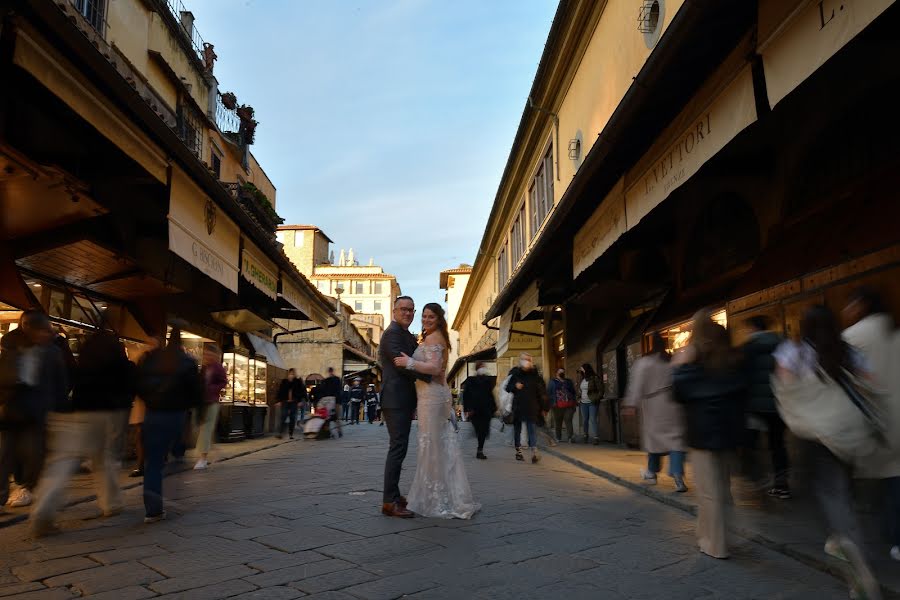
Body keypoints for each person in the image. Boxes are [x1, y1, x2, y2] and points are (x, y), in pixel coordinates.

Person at [774, 305, 881, 599]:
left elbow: (785, 387)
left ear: (805, 326)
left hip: (814, 435)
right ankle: (844, 538)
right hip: (847, 436)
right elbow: (870, 385)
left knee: (826, 494)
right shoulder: (847, 351)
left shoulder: (793, 351)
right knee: (843, 491)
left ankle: (850, 553)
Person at [30, 330, 135, 536]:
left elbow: (71, 379)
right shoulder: (122, 364)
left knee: (62, 463)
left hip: (78, 412)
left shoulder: (85, 359)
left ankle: (43, 510)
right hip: (109, 415)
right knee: (104, 460)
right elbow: (130, 388)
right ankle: (111, 503)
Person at [393, 302, 479, 519]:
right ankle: (441, 495)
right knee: (437, 446)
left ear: (439, 319)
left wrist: (408, 362)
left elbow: (434, 369)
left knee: (430, 446)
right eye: (424, 316)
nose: (426, 320)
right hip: (432, 396)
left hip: (431, 397)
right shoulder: (435, 337)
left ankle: (435, 499)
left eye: (431, 316)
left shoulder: (434, 338)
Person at [672, 310, 745, 559]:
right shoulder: (730, 356)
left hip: (704, 431)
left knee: (708, 491)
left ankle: (715, 544)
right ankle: (719, 536)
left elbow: (679, 391)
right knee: (722, 489)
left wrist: (680, 365)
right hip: (728, 430)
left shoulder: (695, 358)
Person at [843, 288, 900, 562]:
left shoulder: (854, 336)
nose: (846, 311)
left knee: (875, 481)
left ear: (860, 305)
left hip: (874, 420)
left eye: (849, 305)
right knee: (894, 478)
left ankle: (874, 538)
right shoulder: (895, 332)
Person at [0, 311, 68, 514]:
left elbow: (60, 383)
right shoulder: (10, 346)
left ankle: (26, 487)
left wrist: (60, 410)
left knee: (33, 455)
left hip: (36, 411)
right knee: (4, 455)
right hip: (10, 409)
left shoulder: (52, 352)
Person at [136, 328, 202, 523]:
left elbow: (138, 385)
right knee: (173, 454)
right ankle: (177, 458)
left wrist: (150, 401)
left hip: (153, 414)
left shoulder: (151, 359)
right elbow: (195, 392)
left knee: (153, 463)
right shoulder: (187, 362)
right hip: (175, 415)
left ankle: (153, 510)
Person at [379, 296, 430, 518]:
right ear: (394, 311)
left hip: (403, 399)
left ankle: (394, 495)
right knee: (397, 448)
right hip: (395, 399)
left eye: (411, 310)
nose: (408, 313)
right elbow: (403, 366)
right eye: (403, 309)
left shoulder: (405, 334)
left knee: (400, 448)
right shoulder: (391, 335)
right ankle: (389, 501)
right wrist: (431, 376)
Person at [624, 332, 687, 492]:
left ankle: (652, 473)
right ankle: (678, 477)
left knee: (654, 441)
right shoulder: (672, 360)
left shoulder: (644, 363)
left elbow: (636, 385)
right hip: (673, 404)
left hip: (653, 405)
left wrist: (631, 404)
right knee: (675, 440)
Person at [741, 315, 790, 499]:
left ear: (753, 328)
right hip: (778, 404)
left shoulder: (748, 348)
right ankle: (781, 484)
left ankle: (757, 478)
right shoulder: (782, 343)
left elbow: (744, 377)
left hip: (754, 406)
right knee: (778, 445)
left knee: (750, 443)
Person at [506, 352, 549, 464]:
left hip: (532, 407)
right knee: (517, 430)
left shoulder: (536, 376)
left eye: (528, 359)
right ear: (520, 361)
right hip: (518, 407)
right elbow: (508, 388)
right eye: (524, 359)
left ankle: (534, 452)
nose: (526, 361)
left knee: (532, 430)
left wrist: (545, 408)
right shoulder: (516, 375)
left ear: (531, 362)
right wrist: (515, 386)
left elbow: (542, 393)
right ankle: (518, 451)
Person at [194, 345, 227, 469]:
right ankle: (212, 449)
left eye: (208, 354)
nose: (206, 356)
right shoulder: (204, 368)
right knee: (200, 428)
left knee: (206, 429)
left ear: (215, 355)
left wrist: (213, 389)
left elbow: (223, 381)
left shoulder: (218, 368)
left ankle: (203, 459)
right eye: (205, 354)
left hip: (212, 401)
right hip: (202, 402)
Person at [462, 362, 496, 459]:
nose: (483, 368)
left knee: (483, 431)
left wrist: (494, 407)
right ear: (477, 369)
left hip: (486, 410)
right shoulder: (471, 381)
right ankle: (479, 442)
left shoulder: (487, 380)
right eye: (481, 367)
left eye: (483, 367)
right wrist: (467, 409)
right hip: (474, 410)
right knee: (478, 429)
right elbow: (466, 395)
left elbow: (491, 394)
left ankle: (480, 450)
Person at [547, 368, 577, 443]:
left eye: (563, 372)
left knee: (568, 419)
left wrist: (574, 402)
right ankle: (558, 437)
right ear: (556, 373)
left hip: (569, 404)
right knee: (558, 422)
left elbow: (573, 392)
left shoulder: (568, 381)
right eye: (560, 372)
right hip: (557, 405)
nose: (562, 373)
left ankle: (570, 437)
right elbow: (549, 393)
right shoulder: (552, 382)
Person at [276, 368, 305, 440]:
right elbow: (280, 391)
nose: (291, 375)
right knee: (283, 416)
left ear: (294, 374)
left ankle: (291, 434)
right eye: (290, 374)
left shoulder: (297, 382)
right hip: (285, 401)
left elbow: (301, 391)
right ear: (288, 374)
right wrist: (279, 401)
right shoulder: (284, 381)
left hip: (294, 402)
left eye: (292, 374)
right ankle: (280, 433)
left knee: (292, 418)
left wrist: (300, 401)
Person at [576, 363, 601, 444]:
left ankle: (596, 437)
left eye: (582, 369)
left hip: (592, 402)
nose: (581, 371)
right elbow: (580, 390)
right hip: (583, 403)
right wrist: (579, 398)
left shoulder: (595, 378)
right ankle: (585, 436)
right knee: (585, 420)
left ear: (586, 369)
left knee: (593, 419)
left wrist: (596, 398)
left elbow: (601, 389)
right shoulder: (582, 379)